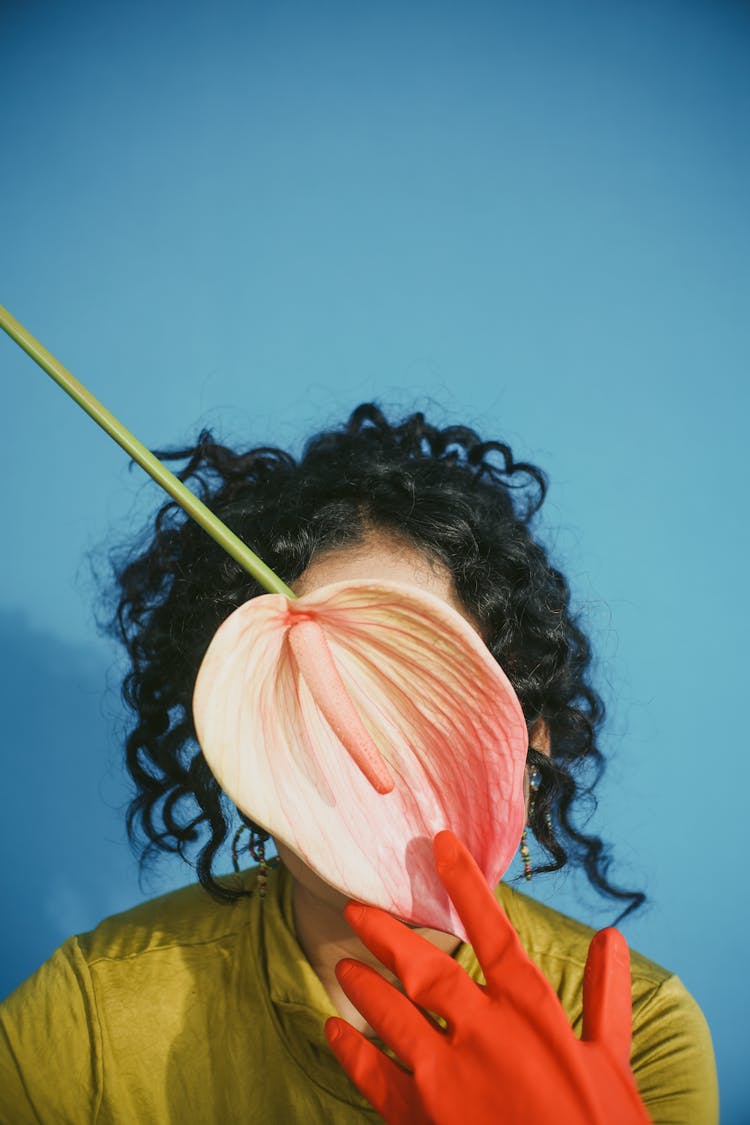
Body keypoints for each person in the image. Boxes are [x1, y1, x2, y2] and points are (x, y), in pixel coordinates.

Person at [0, 403, 718, 1123]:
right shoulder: (91, 1014)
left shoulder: (640, 1033)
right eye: (328, 698)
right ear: (240, 736)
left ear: (534, 735)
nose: (381, 751)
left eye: (423, 687)